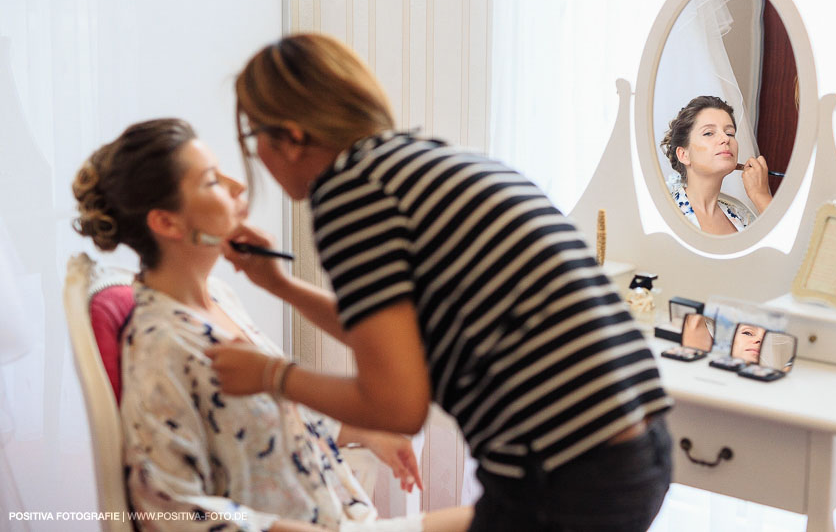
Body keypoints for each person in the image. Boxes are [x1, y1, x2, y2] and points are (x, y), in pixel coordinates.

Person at [205, 33, 673, 532]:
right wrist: (280, 285)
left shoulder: (349, 193)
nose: (256, 163)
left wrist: (271, 375)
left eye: (256, 141)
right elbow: (399, 345)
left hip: (567, 473)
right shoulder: (428, 161)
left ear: (293, 138)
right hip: (637, 450)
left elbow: (398, 405)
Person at [72, 119, 472, 532]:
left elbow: (262, 421)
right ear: (167, 223)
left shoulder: (221, 299)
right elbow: (171, 506)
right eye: (212, 181)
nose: (238, 187)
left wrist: (362, 431)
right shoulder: (162, 345)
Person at [659, 95, 772, 235]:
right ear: (683, 155)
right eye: (708, 133)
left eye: (730, 133)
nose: (725, 139)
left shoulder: (741, 215)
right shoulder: (664, 214)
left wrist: (760, 195)